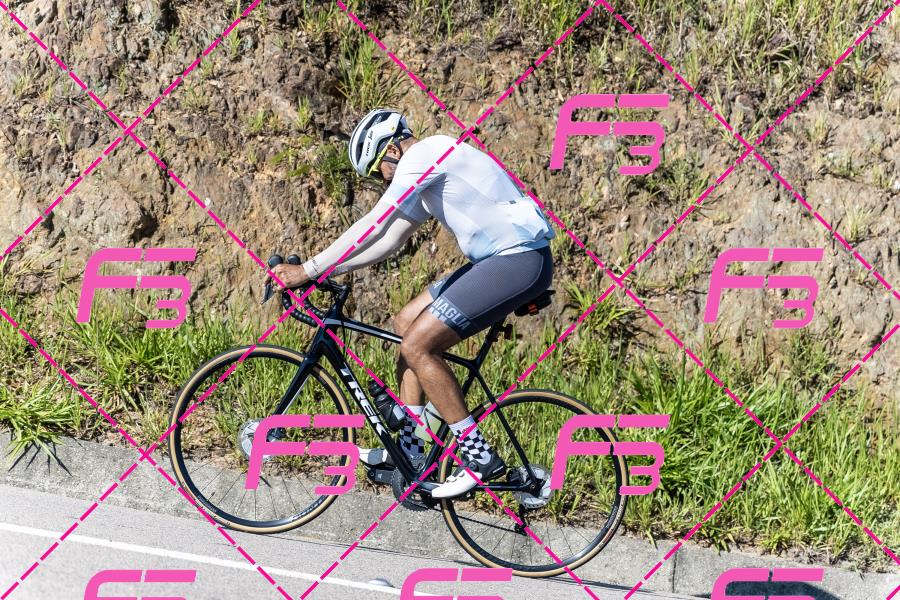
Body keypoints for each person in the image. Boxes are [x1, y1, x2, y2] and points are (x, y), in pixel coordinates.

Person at [270, 108, 554, 498]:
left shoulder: (426, 153)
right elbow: (390, 240)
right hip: (501, 261)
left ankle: (479, 458)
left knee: (418, 346)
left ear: (391, 149)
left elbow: (375, 223)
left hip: (517, 261)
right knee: (406, 321)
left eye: (378, 171)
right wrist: (326, 272)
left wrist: (308, 269)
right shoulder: (427, 173)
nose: (382, 180)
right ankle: (412, 449)